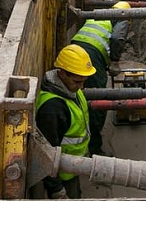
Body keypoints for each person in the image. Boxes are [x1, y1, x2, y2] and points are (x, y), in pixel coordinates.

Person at [35, 44, 96, 199]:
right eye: (77, 81)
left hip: (74, 167)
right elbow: (46, 154)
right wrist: (57, 191)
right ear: (62, 74)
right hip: (63, 175)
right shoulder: (52, 110)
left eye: (84, 81)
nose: (81, 87)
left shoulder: (71, 90)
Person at [70, 1, 130, 156]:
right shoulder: (122, 18)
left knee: (78, 92)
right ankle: (95, 148)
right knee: (99, 98)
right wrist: (115, 61)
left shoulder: (101, 15)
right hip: (92, 54)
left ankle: (79, 129)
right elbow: (117, 38)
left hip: (75, 48)